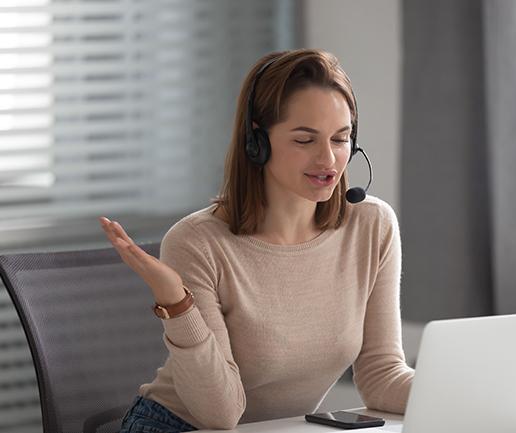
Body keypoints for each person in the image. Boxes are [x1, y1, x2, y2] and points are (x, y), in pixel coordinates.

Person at [99, 48, 414, 433]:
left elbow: (382, 375)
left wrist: (469, 391)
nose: (328, 159)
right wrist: (178, 305)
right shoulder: (198, 242)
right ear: (256, 142)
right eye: (304, 140)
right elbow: (221, 414)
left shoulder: (371, 225)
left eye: (341, 138)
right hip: (177, 426)